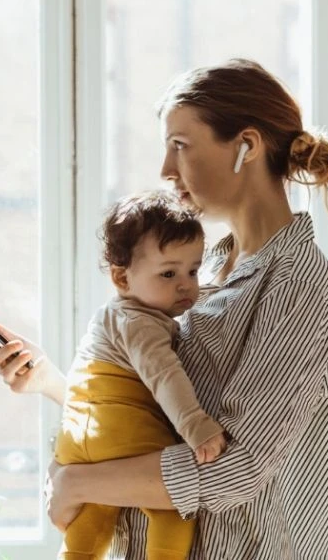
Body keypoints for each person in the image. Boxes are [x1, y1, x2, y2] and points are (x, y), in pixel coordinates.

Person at [0, 58, 328, 559]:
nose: (164, 170)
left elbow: (233, 467)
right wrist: (49, 380)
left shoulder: (295, 288)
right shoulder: (204, 276)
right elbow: (160, 410)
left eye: (179, 146)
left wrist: (79, 482)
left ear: (246, 146)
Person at [55, 189, 226, 560]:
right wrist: (196, 424)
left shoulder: (111, 316)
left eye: (193, 271)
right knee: (172, 511)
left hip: (77, 441)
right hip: (123, 435)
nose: (186, 285)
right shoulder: (141, 324)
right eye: (168, 273)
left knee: (94, 514)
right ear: (122, 278)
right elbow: (165, 375)